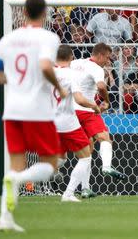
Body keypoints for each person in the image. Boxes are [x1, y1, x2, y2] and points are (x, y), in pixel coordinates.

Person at [0, 0, 66, 232]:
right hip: (38, 111)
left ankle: (5, 218)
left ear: (24, 12)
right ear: (44, 13)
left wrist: (11, 80)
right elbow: (43, 66)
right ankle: (16, 181)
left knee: (15, 165)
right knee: (51, 164)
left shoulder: (8, 40)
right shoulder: (48, 37)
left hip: (12, 111)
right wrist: (58, 86)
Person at [70, 43, 127, 194]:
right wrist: (107, 101)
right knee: (104, 137)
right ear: (100, 55)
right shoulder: (96, 68)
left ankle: (85, 188)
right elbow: (101, 87)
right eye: (107, 58)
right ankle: (107, 166)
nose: (108, 61)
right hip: (87, 110)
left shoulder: (76, 63)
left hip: (69, 111)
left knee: (86, 152)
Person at [53, 45, 101, 202]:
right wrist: (94, 105)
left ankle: (36, 174)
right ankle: (68, 193)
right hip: (67, 122)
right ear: (71, 57)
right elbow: (79, 99)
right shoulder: (71, 74)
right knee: (85, 157)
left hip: (50, 122)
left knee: (61, 158)